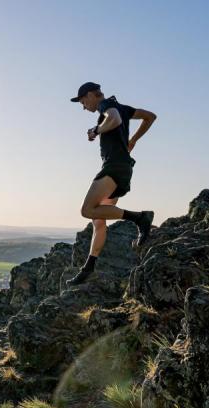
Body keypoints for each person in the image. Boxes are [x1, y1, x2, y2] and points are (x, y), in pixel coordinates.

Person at [65, 82, 157, 286]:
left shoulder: (106, 105)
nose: (83, 107)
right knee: (98, 220)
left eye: (82, 101)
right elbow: (150, 116)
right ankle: (88, 269)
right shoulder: (122, 108)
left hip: (114, 168)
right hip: (122, 167)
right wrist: (133, 141)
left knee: (87, 210)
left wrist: (96, 129)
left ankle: (140, 218)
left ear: (90, 95)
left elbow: (113, 120)